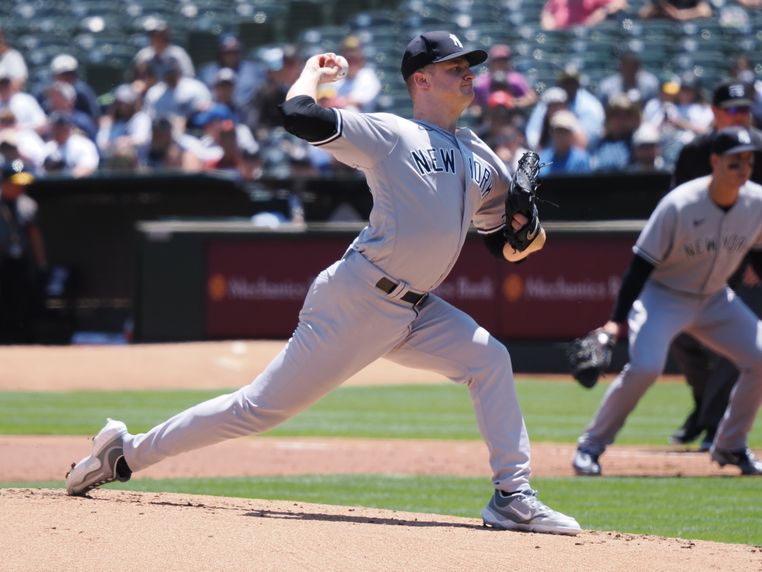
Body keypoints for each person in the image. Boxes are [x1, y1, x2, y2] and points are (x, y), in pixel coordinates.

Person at [65, 30, 581, 537]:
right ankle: (124, 452)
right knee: (258, 409)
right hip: (358, 298)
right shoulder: (392, 134)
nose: (469, 73)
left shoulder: (481, 158)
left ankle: (512, 497)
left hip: (415, 312)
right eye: (454, 67)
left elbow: (508, 249)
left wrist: (528, 231)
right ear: (421, 80)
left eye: (470, 65)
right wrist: (314, 72)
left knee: (489, 359)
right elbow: (298, 116)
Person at [572, 126, 762, 478]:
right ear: (714, 162)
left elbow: (761, 255)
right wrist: (617, 319)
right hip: (664, 296)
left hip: (714, 298)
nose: (743, 169)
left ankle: (731, 446)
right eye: (734, 162)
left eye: (748, 162)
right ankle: (590, 447)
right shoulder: (680, 204)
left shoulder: (757, 201)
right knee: (646, 368)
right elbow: (639, 267)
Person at [666, 81, 762, 450]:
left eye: (745, 110)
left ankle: (714, 428)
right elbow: (676, 209)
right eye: (732, 110)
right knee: (681, 334)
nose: (740, 116)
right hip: (710, 258)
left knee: (734, 341)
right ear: (715, 112)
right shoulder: (695, 152)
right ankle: (703, 411)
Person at [0, 161, 46, 343]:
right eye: (16, 183)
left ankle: (22, 340)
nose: (21, 187)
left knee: (22, 301)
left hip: (19, 262)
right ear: (4, 182)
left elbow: (35, 236)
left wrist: (41, 263)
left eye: (22, 183)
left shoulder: (28, 205)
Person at [198, 34, 264, 111]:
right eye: (227, 52)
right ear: (220, 52)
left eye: (234, 51)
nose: (231, 55)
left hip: (248, 115)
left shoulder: (254, 70)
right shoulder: (206, 73)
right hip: (216, 116)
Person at [472, 44, 537, 113]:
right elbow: (473, 105)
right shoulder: (482, 81)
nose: (500, 63)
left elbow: (531, 98)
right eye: (497, 60)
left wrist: (513, 103)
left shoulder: (516, 79)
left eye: (503, 60)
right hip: (487, 117)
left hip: (512, 116)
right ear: (491, 62)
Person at [327, 35, 382, 112]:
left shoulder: (368, 76)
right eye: (348, 58)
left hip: (364, 120)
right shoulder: (335, 78)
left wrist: (341, 102)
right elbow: (327, 101)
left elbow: (361, 102)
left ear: (361, 58)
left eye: (354, 58)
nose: (351, 60)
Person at [538, 109, 591, 175]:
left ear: (571, 135)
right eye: (558, 131)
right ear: (551, 133)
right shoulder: (542, 158)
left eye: (565, 132)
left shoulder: (581, 160)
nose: (561, 136)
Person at [540, 0, 628, 30]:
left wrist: (602, 11)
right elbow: (547, 11)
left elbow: (620, 2)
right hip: (560, 37)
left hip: (585, 36)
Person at [638, 0, 712, 21]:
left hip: (692, 26)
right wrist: (668, 10)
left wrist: (684, 15)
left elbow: (706, 12)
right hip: (666, 31)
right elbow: (644, 13)